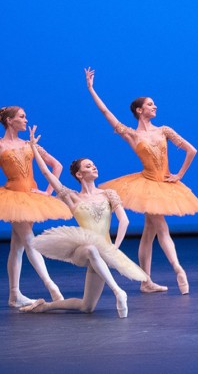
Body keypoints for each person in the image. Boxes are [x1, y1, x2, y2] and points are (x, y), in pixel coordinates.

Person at [85, 68, 198, 294]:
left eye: (154, 104)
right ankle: (178, 268)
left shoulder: (164, 130)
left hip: (163, 184)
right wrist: (91, 89)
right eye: (150, 104)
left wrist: (179, 175)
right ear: (139, 110)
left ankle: (145, 282)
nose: (154, 106)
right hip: (146, 185)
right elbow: (106, 112)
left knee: (149, 232)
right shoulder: (132, 134)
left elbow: (191, 150)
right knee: (161, 227)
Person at [20, 127, 148, 318]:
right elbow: (47, 173)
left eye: (94, 165)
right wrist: (33, 148)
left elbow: (124, 221)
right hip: (82, 250)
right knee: (91, 249)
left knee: (87, 306)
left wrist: (114, 248)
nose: (94, 167)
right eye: (88, 166)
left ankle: (44, 307)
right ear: (79, 175)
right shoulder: (72, 197)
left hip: (105, 251)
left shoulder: (108, 194)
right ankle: (118, 292)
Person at [0, 106, 71, 307]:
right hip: (13, 198)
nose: (26, 120)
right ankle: (52, 287)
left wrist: (48, 192)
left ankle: (14, 295)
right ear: (9, 120)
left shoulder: (29, 144)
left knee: (18, 246)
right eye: (22, 117)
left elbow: (57, 165)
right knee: (30, 241)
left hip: (31, 197)